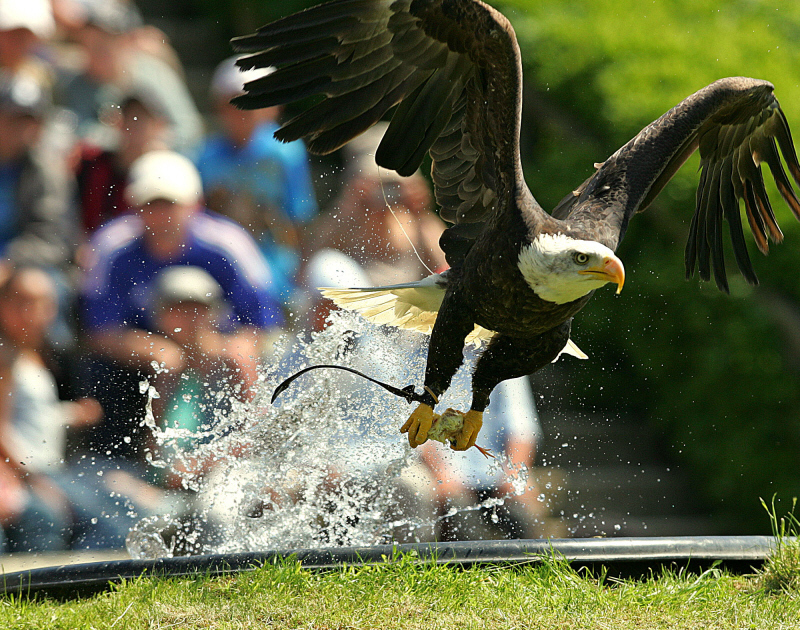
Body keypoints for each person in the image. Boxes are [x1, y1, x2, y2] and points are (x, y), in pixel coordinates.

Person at [79, 149, 284, 471]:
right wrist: (158, 351)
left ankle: (256, 450)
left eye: (170, 204)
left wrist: (220, 349)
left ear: (194, 205)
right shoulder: (112, 248)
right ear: (135, 206)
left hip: (219, 349)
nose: (161, 215)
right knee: (106, 374)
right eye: (151, 205)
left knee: (244, 361)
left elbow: (262, 323)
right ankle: (129, 462)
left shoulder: (227, 245)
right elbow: (98, 332)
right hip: (142, 360)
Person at [0, 266, 140, 550]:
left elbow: (26, 418)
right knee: (109, 526)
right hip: (32, 474)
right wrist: (32, 478)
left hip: (48, 469)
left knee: (117, 507)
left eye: (43, 303)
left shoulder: (33, 355)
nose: (34, 312)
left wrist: (70, 414)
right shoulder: (5, 357)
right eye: (23, 302)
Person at [196, 56, 319, 307]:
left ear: (273, 107)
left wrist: (302, 268)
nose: (243, 110)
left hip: (274, 265)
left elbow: (300, 220)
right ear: (219, 106)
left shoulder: (286, 153)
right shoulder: (204, 156)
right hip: (217, 262)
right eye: (234, 101)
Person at [55, 0, 202, 153]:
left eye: (109, 38)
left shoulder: (153, 74)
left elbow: (189, 129)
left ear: (127, 41)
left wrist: (156, 143)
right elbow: (73, 132)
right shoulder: (74, 83)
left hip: (150, 158)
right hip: (105, 167)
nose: (99, 47)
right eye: (93, 39)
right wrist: (123, 139)